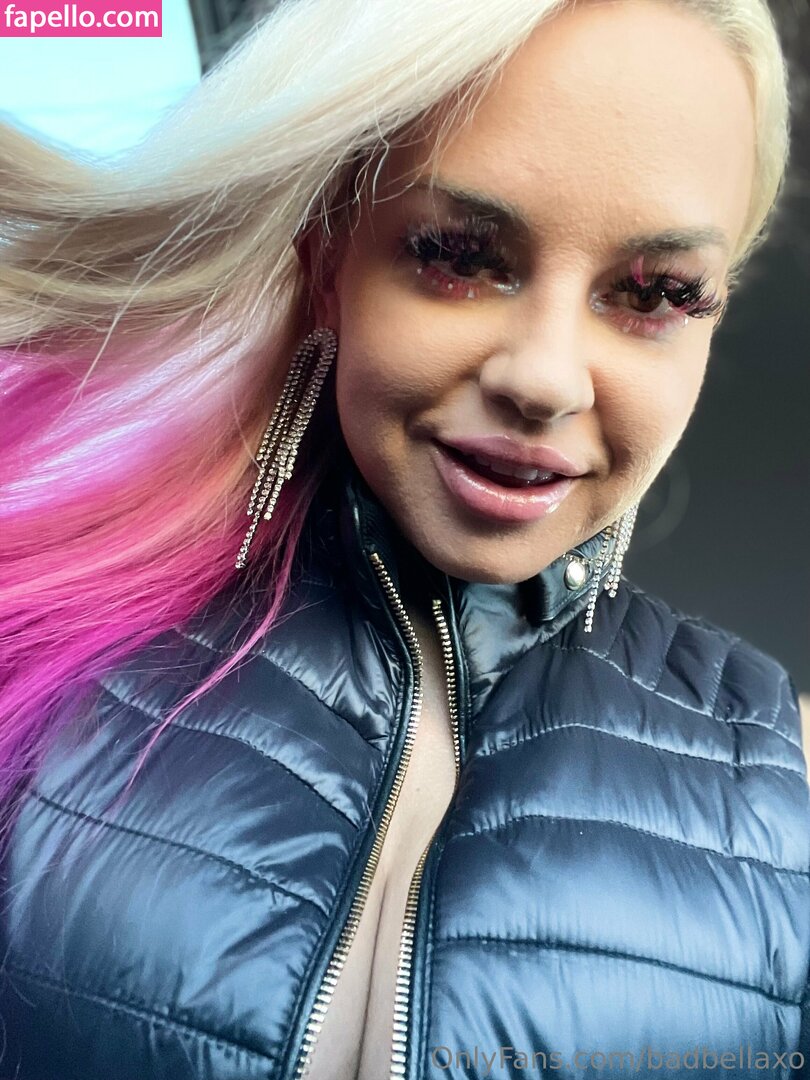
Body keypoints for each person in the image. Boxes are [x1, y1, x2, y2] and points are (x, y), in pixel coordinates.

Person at [0, 0, 808, 1076]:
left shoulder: (781, 778)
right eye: (458, 255)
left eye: (654, 294)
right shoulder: (43, 635)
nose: (545, 378)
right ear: (327, 264)